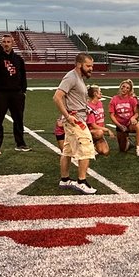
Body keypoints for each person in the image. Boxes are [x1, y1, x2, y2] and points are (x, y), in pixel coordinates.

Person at [53, 54, 97, 193]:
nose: (91, 69)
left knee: (67, 150)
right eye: (88, 66)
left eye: (92, 66)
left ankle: (64, 180)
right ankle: (81, 181)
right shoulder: (71, 77)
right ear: (79, 64)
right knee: (86, 148)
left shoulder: (79, 78)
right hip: (75, 120)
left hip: (78, 117)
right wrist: (67, 115)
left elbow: (74, 98)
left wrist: (87, 108)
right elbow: (57, 97)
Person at [0, 34, 29, 155]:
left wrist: (23, 91)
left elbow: (23, 76)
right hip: (1, 94)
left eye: (8, 42)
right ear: (1, 43)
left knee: (18, 120)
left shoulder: (18, 59)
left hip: (17, 94)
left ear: (12, 43)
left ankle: (20, 143)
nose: (6, 44)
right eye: (4, 42)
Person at [108, 79, 139, 155]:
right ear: (120, 87)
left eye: (127, 88)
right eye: (123, 87)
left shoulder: (132, 99)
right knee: (123, 149)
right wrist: (119, 126)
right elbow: (112, 115)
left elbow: (137, 113)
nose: (124, 89)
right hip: (120, 125)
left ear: (130, 90)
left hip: (130, 124)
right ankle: (129, 142)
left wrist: (133, 118)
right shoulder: (114, 99)